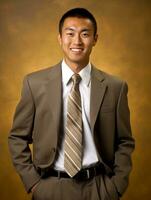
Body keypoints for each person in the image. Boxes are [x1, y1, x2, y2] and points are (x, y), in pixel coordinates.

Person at [8, 7, 135, 200]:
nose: (77, 41)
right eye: (70, 33)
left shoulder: (115, 87)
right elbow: (17, 137)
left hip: (99, 188)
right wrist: (33, 183)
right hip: (50, 187)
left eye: (85, 34)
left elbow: (124, 141)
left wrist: (116, 186)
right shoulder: (34, 83)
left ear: (95, 39)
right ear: (60, 38)